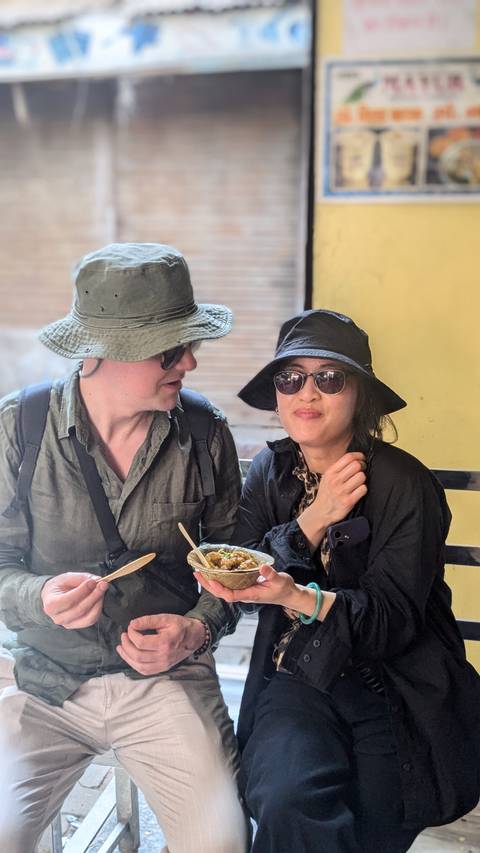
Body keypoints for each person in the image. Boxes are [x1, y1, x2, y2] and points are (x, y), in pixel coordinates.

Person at [196, 309, 480, 853]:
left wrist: (297, 595)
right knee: (284, 799)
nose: (307, 393)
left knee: (375, 812)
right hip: (298, 673)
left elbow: (393, 622)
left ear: (360, 395)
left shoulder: (406, 484)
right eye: (290, 378)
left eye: (329, 378)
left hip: (392, 684)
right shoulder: (269, 471)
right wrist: (314, 518)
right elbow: (246, 565)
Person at [0, 242, 248, 853]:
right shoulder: (20, 428)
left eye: (192, 344)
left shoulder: (204, 433)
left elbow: (238, 564)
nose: (190, 361)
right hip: (41, 682)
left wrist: (197, 629)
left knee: (220, 842)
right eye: (171, 347)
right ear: (101, 351)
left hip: (168, 682)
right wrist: (38, 597)